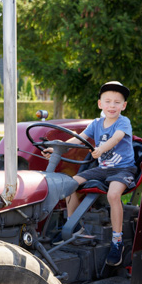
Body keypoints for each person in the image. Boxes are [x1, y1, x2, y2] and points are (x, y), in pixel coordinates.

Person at [48, 81, 135, 266]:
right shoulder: (96, 123)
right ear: (100, 104)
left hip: (123, 169)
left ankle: (117, 241)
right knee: (70, 184)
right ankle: (74, 228)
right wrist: (56, 148)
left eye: (117, 102)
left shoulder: (123, 122)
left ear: (124, 106)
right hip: (102, 168)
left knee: (113, 194)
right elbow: (79, 140)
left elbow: (117, 138)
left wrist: (102, 148)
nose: (112, 106)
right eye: (108, 101)